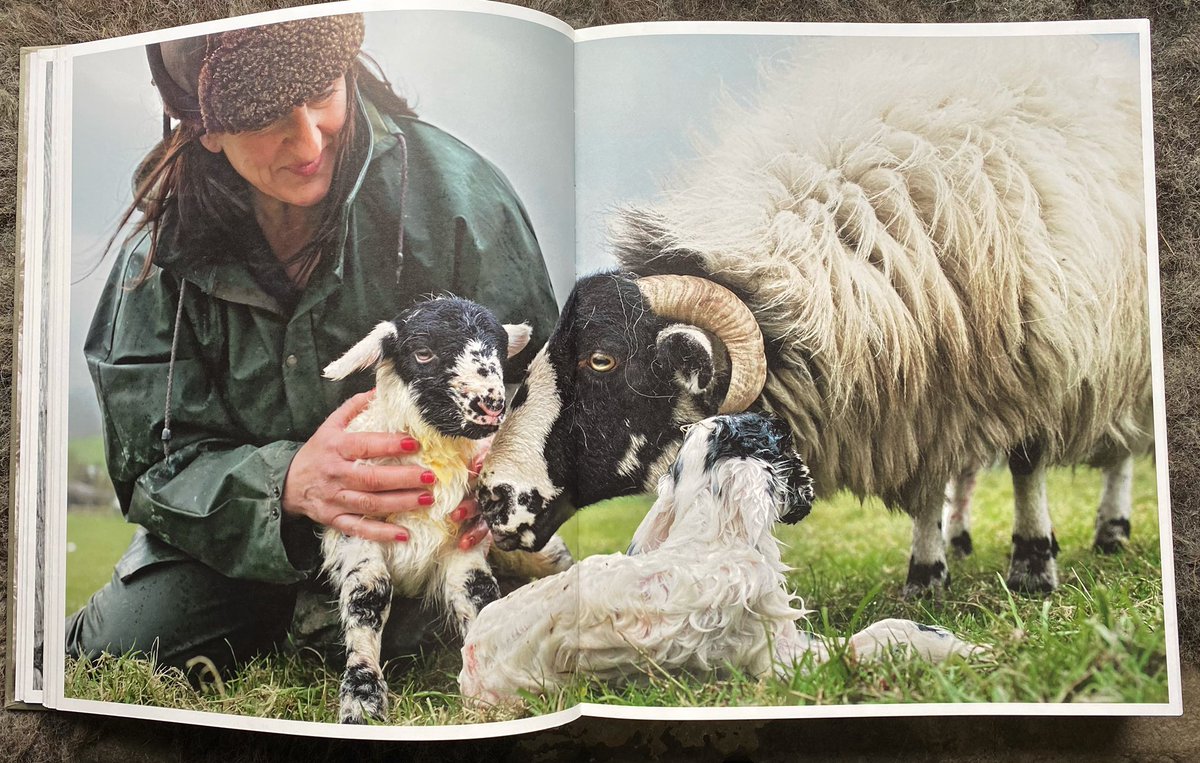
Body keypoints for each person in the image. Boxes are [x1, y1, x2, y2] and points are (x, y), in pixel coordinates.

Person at [65, 13, 559, 675]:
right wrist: (287, 484)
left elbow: (551, 390)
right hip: (242, 559)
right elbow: (152, 466)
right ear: (206, 130)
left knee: (520, 632)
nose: (307, 140)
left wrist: (498, 481)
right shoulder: (157, 265)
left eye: (324, 92)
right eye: (268, 118)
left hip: (433, 538)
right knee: (112, 650)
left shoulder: (463, 200)